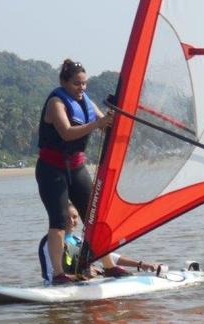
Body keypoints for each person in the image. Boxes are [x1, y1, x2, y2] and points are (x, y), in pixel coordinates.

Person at [35, 59, 125, 284]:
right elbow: (66, 133)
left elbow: (104, 125)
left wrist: (112, 116)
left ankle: (109, 266)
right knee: (59, 219)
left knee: (94, 218)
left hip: (76, 167)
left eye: (85, 84)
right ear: (64, 82)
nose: (82, 88)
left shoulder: (85, 101)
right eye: (77, 83)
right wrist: (98, 123)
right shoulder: (56, 103)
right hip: (51, 169)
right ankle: (58, 274)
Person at [39, 202, 158, 284]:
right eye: (67, 217)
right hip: (58, 288)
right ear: (59, 218)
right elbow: (51, 278)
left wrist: (140, 264)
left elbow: (109, 257)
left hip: (80, 285)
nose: (71, 221)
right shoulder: (50, 242)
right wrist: (82, 276)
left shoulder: (78, 240)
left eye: (75, 217)